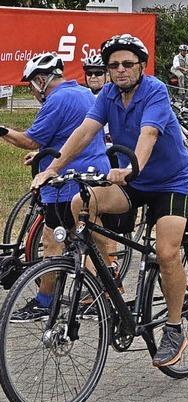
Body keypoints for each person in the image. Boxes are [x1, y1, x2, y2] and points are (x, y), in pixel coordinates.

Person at [32, 34, 188, 368]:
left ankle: (175, 328)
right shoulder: (106, 94)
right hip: (132, 180)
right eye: (113, 65)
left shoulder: (155, 91)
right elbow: (85, 132)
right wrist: (53, 168)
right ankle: (107, 279)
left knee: (166, 252)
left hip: (168, 183)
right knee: (81, 202)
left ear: (141, 67)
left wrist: (131, 168)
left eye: (127, 64)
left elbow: (149, 134)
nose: (120, 70)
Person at [0, 52, 110, 321]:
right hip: (94, 176)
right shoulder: (84, 94)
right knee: (88, 240)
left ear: (40, 80)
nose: (33, 92)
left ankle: (44, 302)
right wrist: (42, 155)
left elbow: (29, 139)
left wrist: (2, 130)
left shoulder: (57, 100)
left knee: (52, 242)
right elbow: (68, 136)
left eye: (31, 85)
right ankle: (96, 297)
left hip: (66, 184)